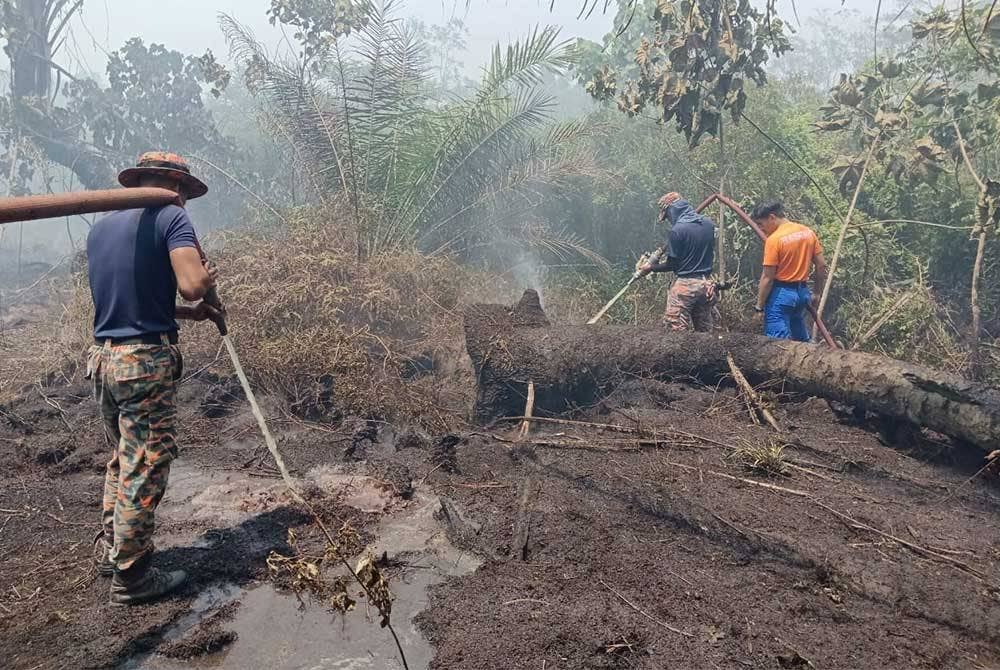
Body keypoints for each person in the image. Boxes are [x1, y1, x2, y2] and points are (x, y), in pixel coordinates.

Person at [87, 152, 223, 606]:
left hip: (105, 360)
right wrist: (204, 281)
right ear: (174, 186)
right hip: (144, 363)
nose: (183, 199)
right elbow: (189, 283)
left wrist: (190, 314)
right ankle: (133, 576)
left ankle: (114, 549)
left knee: (123, 458)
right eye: (182, 191)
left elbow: (131, 303)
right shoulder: (171, 217)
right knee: (146, 462)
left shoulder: (102, 229)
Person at [638, 192, 718, 332]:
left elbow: (672, 265)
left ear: (672, 210)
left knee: (675, 333)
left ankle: (681, 355)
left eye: (668, 216)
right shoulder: (708, 224)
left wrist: (651, 267)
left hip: (685, 287)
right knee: (705, 334)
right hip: (706, 286)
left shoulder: (677, 231)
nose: (669, 219)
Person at [751, 200, 827, 342]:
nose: (761, 229)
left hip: (781, 295)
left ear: (772, 218)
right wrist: (817, 292)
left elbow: (767, 278)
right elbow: (821, 265)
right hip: (802, 294)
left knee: (778, 345)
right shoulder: (807, 232)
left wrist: (759, 307)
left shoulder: (774, 240)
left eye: (761, 224)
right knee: (801, 340)